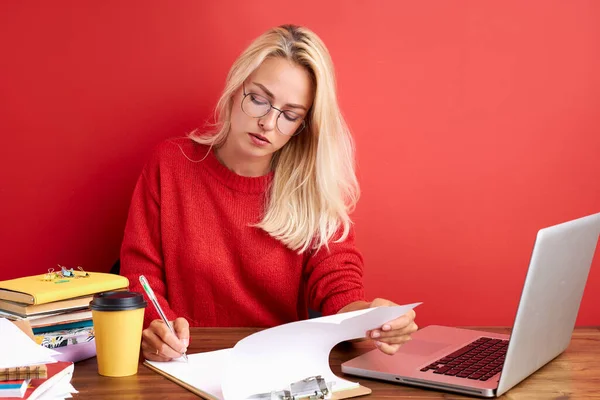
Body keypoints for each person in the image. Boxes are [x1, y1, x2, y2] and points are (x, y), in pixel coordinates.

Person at [120, 24, 417, 362]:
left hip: (278, 369)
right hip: (184, 364)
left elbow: (339, 288)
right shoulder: (171, 164)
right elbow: (138, 275)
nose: (268, 123)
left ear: (302, 127)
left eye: (290, 116)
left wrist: (374, 322)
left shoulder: (311, 186)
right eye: (258, 99)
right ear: (235, 89)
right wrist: (155, 325)